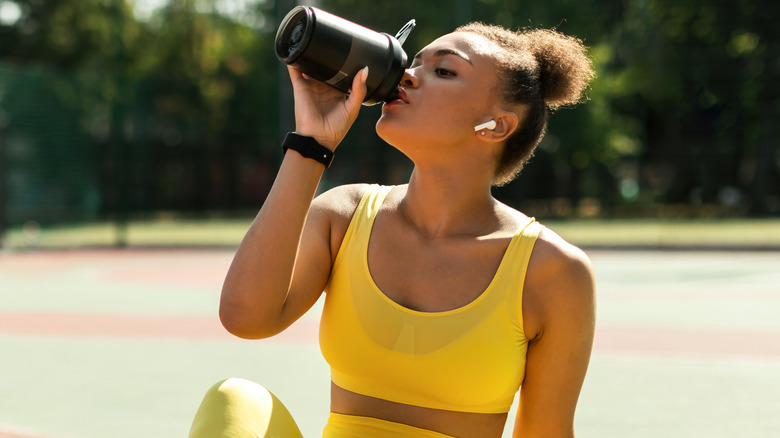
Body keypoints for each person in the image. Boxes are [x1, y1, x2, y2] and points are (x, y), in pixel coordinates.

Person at [189, 21, 596, 438]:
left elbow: (545, 431)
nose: (406, 74)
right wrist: (311, 144)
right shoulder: (344, 216)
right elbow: (245, 318)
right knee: (235, 399)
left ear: (495, 126)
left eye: (444, 71)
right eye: (413, 62)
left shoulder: (551, 270)